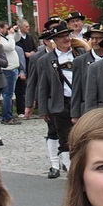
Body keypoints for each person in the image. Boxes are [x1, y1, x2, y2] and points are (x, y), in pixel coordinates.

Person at [31, 25, 88, 179]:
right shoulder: (46, 60)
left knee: (83, 135)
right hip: (60, 102)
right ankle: (69, 169)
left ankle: (82, 164)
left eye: (67, 35)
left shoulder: (80, 54)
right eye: (62, 36)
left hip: (80, 101)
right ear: (54, 40)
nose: (66, 39)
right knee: (64, 136)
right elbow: (43, 86)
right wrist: (43, 109)